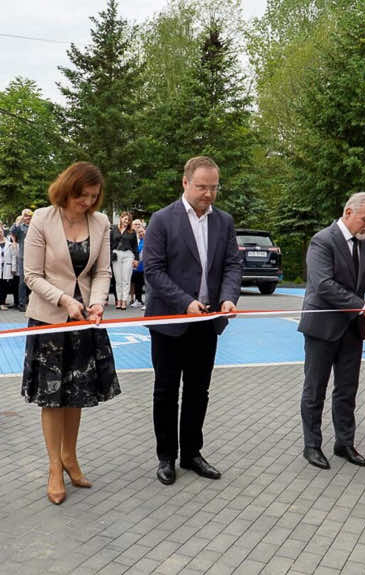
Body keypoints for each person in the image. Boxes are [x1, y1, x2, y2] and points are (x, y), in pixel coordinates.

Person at [22, 162, 119, 505]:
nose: (88, 203)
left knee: (77, 393)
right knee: (52, 398)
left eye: (94, 197)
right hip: (49, 320)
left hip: (84, 321)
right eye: (82, 196)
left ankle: (70, 457)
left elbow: (103, 272)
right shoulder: (42, 219)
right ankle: (54, 467)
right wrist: (64, 300)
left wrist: (97, 303)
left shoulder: (101, 222)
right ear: (67, 191)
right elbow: (31, 275)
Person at [144, 156, 242, 485]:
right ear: (185, 183)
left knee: (199, 391)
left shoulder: (224, 221)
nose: (208, 194)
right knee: (166, 391)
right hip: (170, 322)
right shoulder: (162, 220)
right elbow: (153, 271)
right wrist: (185, 302)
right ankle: (166, 457)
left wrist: (228, 297)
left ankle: (191, 453)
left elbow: (232, 265)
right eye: (201, 187)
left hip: (207, 322)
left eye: (214, 187)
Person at [298, 192, 365, 470]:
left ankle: (344, 443)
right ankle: (312, 446)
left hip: (352, 330)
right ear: (348, 213)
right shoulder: (322, 240)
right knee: (315, 390)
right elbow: (323, 285)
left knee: (347, 390)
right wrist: (362, 306)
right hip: (322, 328)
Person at [110, 211, 138, 310]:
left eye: (129, 220)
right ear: (121, 218)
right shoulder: (114, 230)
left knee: (126, 279)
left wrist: (136, 259)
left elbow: (135, 246)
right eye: (125, 219)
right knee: (118, 280)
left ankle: (124, 300)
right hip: (116, 255)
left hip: (128, 255)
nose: (127, 221)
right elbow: (110, 244)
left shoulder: (132, 232)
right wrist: (110, 255)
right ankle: (119, 300)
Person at [11, 208, 33, 310]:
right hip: (23, 257)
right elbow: (12, 232)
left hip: (35, 256)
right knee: (22, 281)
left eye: (29, 216)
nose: (28, 218)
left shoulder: (35, 226)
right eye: (26, 215)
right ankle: (22, 303)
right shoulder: (20, 227)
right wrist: (18, 222)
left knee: (36, 280)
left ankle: (34, 303)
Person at [130, 219, 146, 308]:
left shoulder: (147, 240)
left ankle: (147, 303)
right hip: (137, 266)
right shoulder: (136, 240)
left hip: (145, 265)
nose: (140, 233)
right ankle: (138, 300)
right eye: (139, 232)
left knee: (146, 285)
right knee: (137, 284)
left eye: (142, 232)